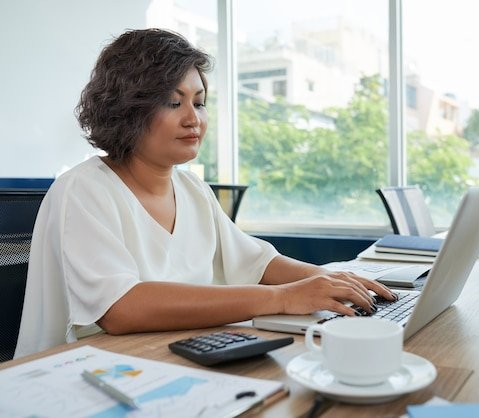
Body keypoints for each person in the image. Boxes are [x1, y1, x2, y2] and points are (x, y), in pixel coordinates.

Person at [15, 28, 395, 358]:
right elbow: (120, 308)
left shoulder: (191, 187)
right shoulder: (84, 190)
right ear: (126, 108)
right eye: (172, 102)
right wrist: (284, 297)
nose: (193, 119)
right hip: (78, 375)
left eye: (199, 102)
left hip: (166, 358)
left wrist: (332, 282)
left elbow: (258, 263)